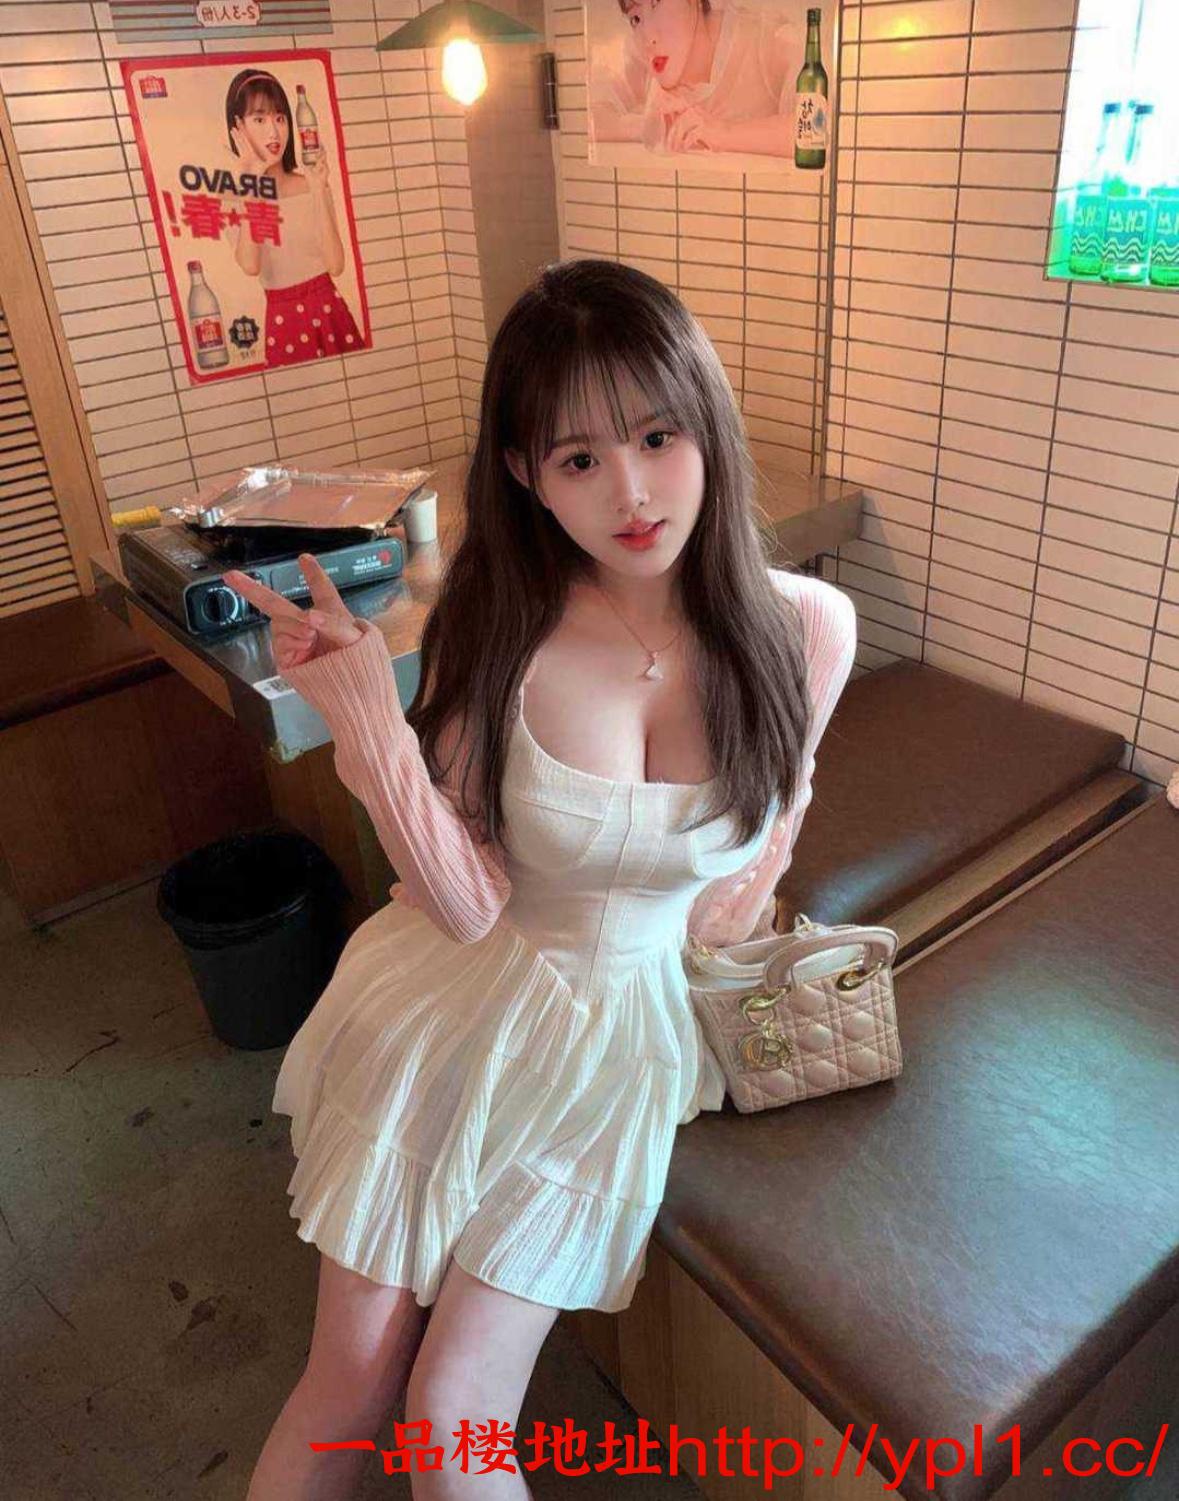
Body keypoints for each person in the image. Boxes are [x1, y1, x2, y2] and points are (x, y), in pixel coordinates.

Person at [226, 258, 856, 1500]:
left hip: (619, 1042)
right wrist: (368, 719)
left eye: (658, 437)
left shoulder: (806, 630)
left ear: (707, 422)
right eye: (579, 458)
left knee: (449, 1410)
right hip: (453, 1003)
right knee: (350, 1374)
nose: (633, 492)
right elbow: (469, 903)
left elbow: (744, 878)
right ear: (524, 471)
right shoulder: (501, 627)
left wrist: (736, 960)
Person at [223, 67, 363, 366]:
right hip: (284, 319)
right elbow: (250, 265)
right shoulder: (234, 199)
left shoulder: (310, 183)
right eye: (259, 119)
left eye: (280, 118)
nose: (274, 132)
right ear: (238, 126)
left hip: (330, 310)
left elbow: (336, 265)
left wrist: (318, 188)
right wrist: (252, 187)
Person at [591, 0, 799, 155]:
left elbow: (812, 129)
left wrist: (722, 132)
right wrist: (648, 127)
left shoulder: (766, 38)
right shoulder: (642, 56)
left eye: (656, 3)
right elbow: (590, 118)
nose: (648, 37)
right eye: (636, 18)